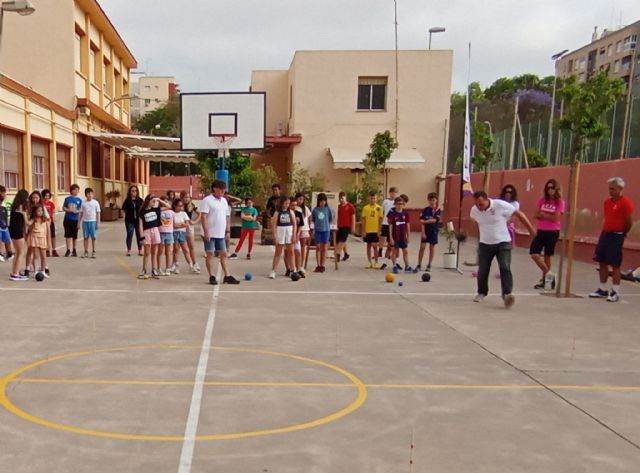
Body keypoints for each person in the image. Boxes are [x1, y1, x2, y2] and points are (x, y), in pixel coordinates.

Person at [470, 191, 536, 308]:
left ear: (487, 199)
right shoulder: (474, 211)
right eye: (476, 204)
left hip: (503, 242)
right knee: (483, 270)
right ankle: (481, 292)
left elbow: (518, 214)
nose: (479, 207)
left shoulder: (500, 205)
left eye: (481, 204)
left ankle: (507, 295)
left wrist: (531, 230)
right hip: (485, 243)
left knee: (505, 267)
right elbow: (475, 223)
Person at [589, 177, 634, 302]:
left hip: (617, 235)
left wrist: (622, 232)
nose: (610, 191)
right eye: (609, 189)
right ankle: (602, 289)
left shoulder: (625, 202)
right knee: (602, 261)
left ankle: (615, 291)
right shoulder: (607, 203)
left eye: (613, 189)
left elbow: (628, 221)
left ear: (620, 188)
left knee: (615, 263)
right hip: (606, 234)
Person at [200, 180, 240, 285]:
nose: (223, 191)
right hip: (210, 232)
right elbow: (203, 217)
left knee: (224, 254)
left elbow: (226, 216)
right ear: (214, 188)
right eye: (221, 188)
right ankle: (211, 276)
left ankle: (227, 276)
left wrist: (227, 231)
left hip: (220, 233)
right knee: (210, 254)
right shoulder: (207, 200)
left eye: (224, 189)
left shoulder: (224, 201)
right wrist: (206, 231)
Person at [529, 179, 565, 290]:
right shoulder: (542, 201)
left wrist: (543, 215)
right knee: (534, 253)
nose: (550, 190)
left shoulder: (559, 202)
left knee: (547, 256)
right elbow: (535, 214)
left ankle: (545, 280)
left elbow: (557, 218)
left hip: (552, 231)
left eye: (552, 187)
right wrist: (548, 215)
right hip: (541, 230)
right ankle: (549, 274)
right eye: (548, 188)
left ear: (556, 189)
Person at [138, 194, 171, 279]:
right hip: (147, 232)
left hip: (155, 230)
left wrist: (159, 200)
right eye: (152, 201)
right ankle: (144, 269)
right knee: (147, 252)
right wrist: (142, 237)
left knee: (154, 252)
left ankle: (154, 269)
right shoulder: (142, 211)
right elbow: (140, 225)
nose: (154, 202)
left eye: (155, 201)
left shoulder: (156, 210)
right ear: (148, 201)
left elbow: (169, 206)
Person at [270, 195, 297, 279]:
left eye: (288, 203)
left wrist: (294, 235)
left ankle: (293, 270)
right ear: (281, 203)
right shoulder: (277, 212)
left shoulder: (291, 212)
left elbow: (295, 224)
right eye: (285, 203)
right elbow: (274, 225)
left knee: (291, 252)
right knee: (278, 252)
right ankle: (273, 271)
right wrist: (275, 236)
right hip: (280, 232)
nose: (287, 205)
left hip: (289, 232)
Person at [417, 192, 441, 272]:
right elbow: (421, 221)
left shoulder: (437, 210)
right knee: (422, 247)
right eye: (430, 200)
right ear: (428, 200)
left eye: (433, 200)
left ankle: (429, 264)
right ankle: (419, 264)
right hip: (425, 231)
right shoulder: (425, 210)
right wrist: (423, 232)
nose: (432, 201)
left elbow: (434, 220)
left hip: (433, 231)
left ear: (436, 200)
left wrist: (425, 221)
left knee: (431, 248)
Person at [8, 189, 29, 281]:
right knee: (21, 252)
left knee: (17, 252)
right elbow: (27, 222)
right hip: (17, 231)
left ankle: (14, 272)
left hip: (12, 230)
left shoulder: (14, 206)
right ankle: (16, 274)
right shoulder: (22, 207)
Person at [171, 198, 196, 273]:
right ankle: (176, 265)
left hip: (182, 233)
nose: (180, 207)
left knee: (186, 249)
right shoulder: (172, 214)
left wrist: (181, 225)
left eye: (181, 206)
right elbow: (173, 225)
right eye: (179, 206)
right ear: (175, 206)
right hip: (175, 233)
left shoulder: (184, 213)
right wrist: (181, 224)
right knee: (176, 250)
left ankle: (191, 265)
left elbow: (187, 224)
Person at [388, 196, 412, 272]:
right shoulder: (393, 214)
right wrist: (391, 238)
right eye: (398, 204)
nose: (399, 205)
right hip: (395, 236)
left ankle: (407, 266)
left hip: (403, 236)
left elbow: (408, 225)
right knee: (394, 251)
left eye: (401, 204)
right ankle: (394, 266)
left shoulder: (405, 213)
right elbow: (390, 226)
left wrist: (408, 236)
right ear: (395, 204)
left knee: (405, 251)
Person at [26, 203, 50, 278]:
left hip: (42, 239)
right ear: (34, 212)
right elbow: (28, 224)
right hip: (35, 239)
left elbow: (48, 232)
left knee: (44, 257)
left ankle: (43, 271)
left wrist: (49, 243)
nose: (40, 212)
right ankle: (36, 271)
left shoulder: (45, 220)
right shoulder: (33, 220)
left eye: (41, 211)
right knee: (36, 256)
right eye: (38, 211)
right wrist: (24, 215)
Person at [311, 192, 333, 273]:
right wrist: (313, 230)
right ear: (318, 201)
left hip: (326, 230)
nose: (323, 203)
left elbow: (330, 219)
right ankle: (318, 264)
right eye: (321, 201)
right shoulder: (315, 210)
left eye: (324, 201)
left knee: (324, 248)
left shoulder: (328, 209)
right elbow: (313, 220)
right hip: (318, 231)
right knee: (318, 248)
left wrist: (326, 225)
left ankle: (322, 265)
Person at [361, 191, 383, 269]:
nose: (372, 199)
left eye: (374, 198)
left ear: (376, 199)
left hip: (375, 230)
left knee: (375, 245)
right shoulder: (365, 208)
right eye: (371, 198)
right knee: (368, 245)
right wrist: (363, 231)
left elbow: (380, 219)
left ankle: (376, 262)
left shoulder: (379, 208)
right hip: (367, 230)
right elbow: (363, 220)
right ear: (369, 198)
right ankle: (369, 262)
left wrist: (379, 230)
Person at [180, 191, 201, 273]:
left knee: (191, 246)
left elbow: (200, 214)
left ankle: (195, 263)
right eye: (185, 197)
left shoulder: (191, 206)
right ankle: (177, 264)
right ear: (182, 198)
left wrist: (194, 222)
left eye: (188, 197)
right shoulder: (179, 205)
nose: (186, 199)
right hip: (180, 227)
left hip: (189, 226)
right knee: (181, 248)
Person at [379, 186, 398, 270]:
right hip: (385, 223)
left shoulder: (397, 202)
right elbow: (382, 212)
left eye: (395, 193)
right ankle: (381, 250)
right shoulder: (385, 201)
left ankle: (394, 262)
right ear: (389, 193)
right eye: (392, 192)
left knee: (393, 244)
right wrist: (380, 224)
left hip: (394, 225)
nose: (393, 194)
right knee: (386, 240)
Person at [293, 193, 312, 273]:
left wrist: (310, 226)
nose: (300, 201)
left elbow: (310, 217)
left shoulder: (305, 208)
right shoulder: (294, 208)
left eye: (302, 199)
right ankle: (295, 265)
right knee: (296, 248)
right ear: (296, 199)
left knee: (303, 247)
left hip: (304, 229)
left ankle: (301, 265)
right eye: (299, 199)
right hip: (296, 230)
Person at [122, 185, 143, 256]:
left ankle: (140, 250)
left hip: (138, 221)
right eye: (132, 191)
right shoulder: (127, 200)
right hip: (129, 221)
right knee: (129, 235)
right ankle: (129, 250)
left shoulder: (140, 200)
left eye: (135, 191)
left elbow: (143, 210)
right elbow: (124, 210)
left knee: (139, 235)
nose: (134, 192)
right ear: (130, 192)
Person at [79, 187, 100, 259]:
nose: (90, 195)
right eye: (88, 194)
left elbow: (98, 213)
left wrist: (98, 222)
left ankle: (94, 251)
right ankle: (85, 251)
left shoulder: (95, 202)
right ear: (85, 195)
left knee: (93, 237)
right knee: (85, 237)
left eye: (91, 194)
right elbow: (81, 213)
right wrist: (78, 222)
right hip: (85, 222)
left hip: (93, 221)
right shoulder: (83, 203)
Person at [63, 184, 82, 257]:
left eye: (78, 190)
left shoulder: (79, 200)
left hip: (75, 219)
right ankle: (68, 250)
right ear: (72, 190)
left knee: (75, 236)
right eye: (75, 190)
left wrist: (77, 212)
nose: (77, 191)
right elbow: (64, 208)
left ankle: (74, 249)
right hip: (68, 219)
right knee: (68, 235)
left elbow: (80, 209)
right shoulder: (67, 199)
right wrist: (69, 210)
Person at [336, 191, 356, 263]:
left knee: (342, 240)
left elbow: (353, 217)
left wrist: (353, 227)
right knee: (339, 240)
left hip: (347, 226)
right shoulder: (338, 207)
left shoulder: (350, 206)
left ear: (345, 197)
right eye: (340, 198)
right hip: (339, 226)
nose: (341, 200)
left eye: (342, 198)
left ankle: (338, 253)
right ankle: (346, 254)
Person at [41, 189, 59, 257]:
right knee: (45, 237)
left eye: (48, 195)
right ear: (43, 196)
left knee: (53, 236)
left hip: (51, 222)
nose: (47, 197)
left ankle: (54, 250)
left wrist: (53, 220)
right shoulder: (41, 204)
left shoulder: (51, 203)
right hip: (43, 222)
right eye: (45, 196)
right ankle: (47, 250)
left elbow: (53, 212)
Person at [0, 185, 14, 262]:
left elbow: (5, 214)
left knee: (7, 239)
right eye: (4, 193)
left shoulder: (4, 204)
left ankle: (9, 253)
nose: (5, 194)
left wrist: (7, 223)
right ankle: (1, 253)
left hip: (4, 225)